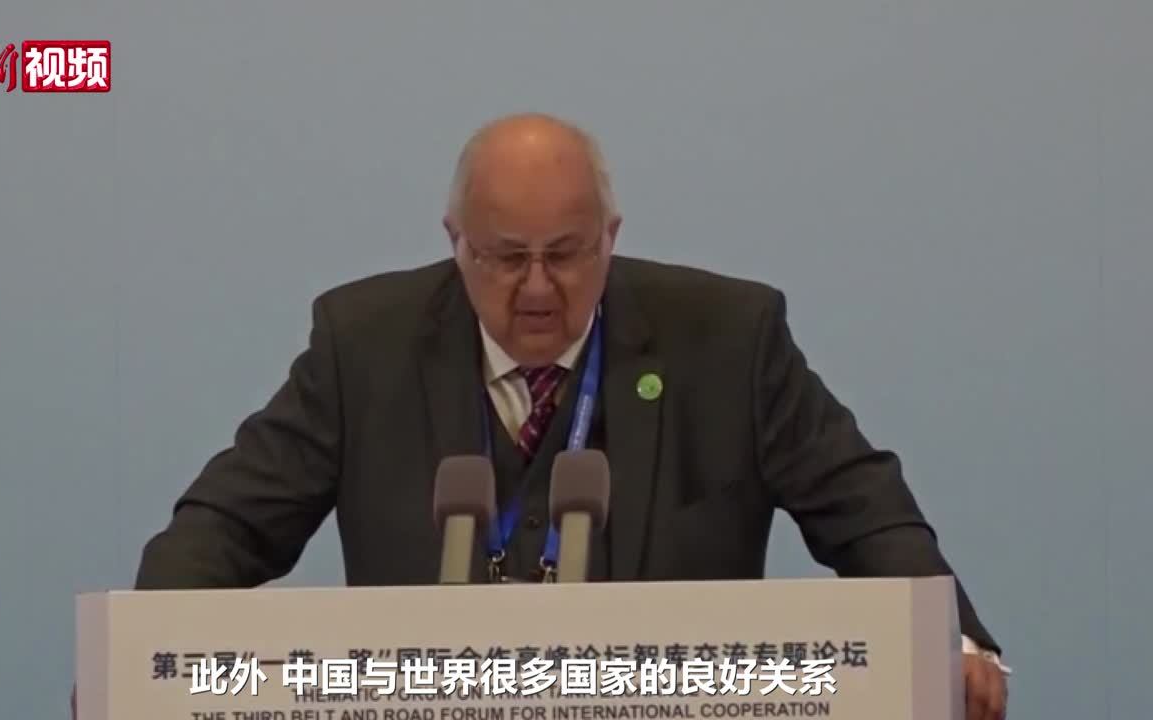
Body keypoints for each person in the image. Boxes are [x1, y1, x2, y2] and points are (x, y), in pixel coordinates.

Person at [127, 113, 1009, 719]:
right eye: (507, 258)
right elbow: (226, 526)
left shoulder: (729, 342)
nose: (540, 288)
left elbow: (865, 510)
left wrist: (957, 644)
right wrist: (136, 662)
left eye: (567, 253)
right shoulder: (364, 348)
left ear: (610, 237)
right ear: (456, 243)